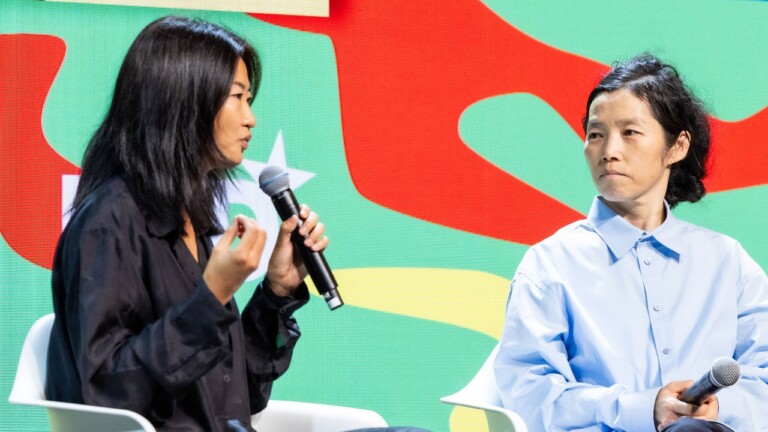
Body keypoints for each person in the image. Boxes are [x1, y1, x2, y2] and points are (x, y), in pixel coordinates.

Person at [45, 16, 327, 431]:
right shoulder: (109, 223)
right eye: (237, 97)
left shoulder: (188, 219)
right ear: (183, 101)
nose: (251, 120)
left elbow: (233, 393)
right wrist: (212, 295)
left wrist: (277, 291)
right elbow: (104, 394)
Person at [494, 54, 768, 431]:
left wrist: (720, 408)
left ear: (677, 147)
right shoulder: (550, 264)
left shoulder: (727, 261)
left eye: (630, 133)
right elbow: (529, 394)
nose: (609, 150)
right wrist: (641, 408)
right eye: (595, 134)